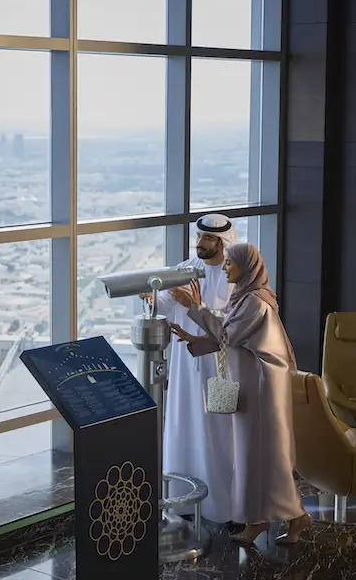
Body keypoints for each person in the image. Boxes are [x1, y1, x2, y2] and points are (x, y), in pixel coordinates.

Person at [169, 243, 311, 545]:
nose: (224, 268)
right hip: (252, 382)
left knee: (270, 455)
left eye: (230, 264)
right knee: (248, 453)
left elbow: (228, 335)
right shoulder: (244, 298)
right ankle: (256, 520)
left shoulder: (255, 303)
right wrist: (196, 338)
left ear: (246, 268)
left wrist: (194, 307)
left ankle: (296, 515)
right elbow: (231, 336)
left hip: (264, 387)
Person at [141, 213, 237, 523]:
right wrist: (152, 300)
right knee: (184, 425)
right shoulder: (184, 270)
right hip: (186, 366)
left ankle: (224, 505)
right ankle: (183, 503)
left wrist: (195, 306)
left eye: (208, 239)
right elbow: (165, 304)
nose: (201, 244)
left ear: (222, 243)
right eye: (199, 238)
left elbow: (233, 321)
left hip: (219, 365)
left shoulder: (235, 274)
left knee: (219, 433)